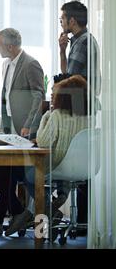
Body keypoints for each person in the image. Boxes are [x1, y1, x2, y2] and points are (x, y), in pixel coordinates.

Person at [0, 28, 44, 236]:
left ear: (9, 45)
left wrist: (29, 125)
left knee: (10, 172)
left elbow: (38, 97)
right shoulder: (6, 64)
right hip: (8, 129)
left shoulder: (31, 64)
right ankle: (16, 213)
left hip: (24, 130)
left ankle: (0, 220)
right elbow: (6, 97)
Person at [59, 0, 101, 228]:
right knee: (82, 167)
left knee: (78, 165)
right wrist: (62, 51)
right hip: (82, 107)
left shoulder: (83, 42)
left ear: (72, 21)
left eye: (62, 19)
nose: (61, 23)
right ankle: (81, 219)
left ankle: (81, 220)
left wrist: (62, 52)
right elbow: (69, 76)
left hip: (80, 109)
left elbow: (69, 81)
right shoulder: (80, 41)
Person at [25, 74, 88, 222]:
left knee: (27, 174)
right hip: (85, 169)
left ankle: (46, 208)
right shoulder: (89, 117)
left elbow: (42, 142)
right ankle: (51, 207)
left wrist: (47, 115)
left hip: (58, 166)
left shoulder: (57, 115)